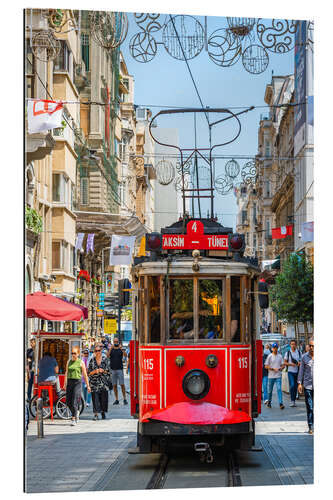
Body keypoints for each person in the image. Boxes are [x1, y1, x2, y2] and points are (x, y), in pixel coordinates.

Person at [64, 347, 90, 426]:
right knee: (68, 402)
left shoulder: (81, 362)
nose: (73, 355)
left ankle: (73, 418)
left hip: (77, 382)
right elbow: (66, 372)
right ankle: (76, 412)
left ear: (78, 354)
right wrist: (64, 384)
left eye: (75, 353)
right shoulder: (69, 361)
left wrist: (88, 385)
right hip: (69, 382)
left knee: (74, 401)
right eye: (72, 353)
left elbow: (85, 375)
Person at [88, 344, 111, 420]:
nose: (97, 352)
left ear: (101, 351)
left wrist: (103, 371)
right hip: (94, 383)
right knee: (95, 399)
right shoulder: (92, 360)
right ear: (94, 352)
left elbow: (109, 371)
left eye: (99, 350)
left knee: (103, 399)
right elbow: (89, 373)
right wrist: (95, 371)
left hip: (103, 383)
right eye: (96, 351)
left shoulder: (105, 359)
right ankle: (96, 414)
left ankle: (103, 412)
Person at [298, 337, 314, 434]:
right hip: (308, 386)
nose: (312, 348)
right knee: (310, 406)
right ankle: (310, 426)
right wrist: (299, 383)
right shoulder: (304, 357)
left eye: (314, 346)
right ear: (308, 346)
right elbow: (301, 371)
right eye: (310, 346)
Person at [107, 337, 128, 405]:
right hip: (113, 369)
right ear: (113, 342)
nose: (116, 343)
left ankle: (125, 398)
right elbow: (107, 356)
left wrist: (122, 349)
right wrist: (110, 348)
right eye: (115, 342)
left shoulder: (120, 349)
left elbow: (125, 355)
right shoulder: (111, 349)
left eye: (117, 342)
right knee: (114, 385)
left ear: (118, 342)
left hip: (120, 369)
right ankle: (116, 399)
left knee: (122, 384)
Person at [265, 342, 285, 409]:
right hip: (271, 376)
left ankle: (281, 403)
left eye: (276, 348)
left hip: (278, 375)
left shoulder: (280, 356)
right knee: (270, 390)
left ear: (277, 348)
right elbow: (266, 366)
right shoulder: (269, 356)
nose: (275, 349)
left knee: (279, 389)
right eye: (274, 348)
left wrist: (280, 368)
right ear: (272, 348)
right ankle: (269, 402)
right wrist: (272, 369)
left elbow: (283, 365)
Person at [284, 339, 302, 407]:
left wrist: (299, 363)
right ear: (290, 345)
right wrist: (291, 364)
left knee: (295, 386)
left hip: (297, 371)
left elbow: (301, 362)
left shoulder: (299, 352)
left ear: (296, 345)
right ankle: (292, 401)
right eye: (291, 344)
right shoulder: (287, 353)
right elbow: (285, 362)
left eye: (294, 344)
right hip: (290, 372)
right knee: (292, 385)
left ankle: (294, 398)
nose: (293, 345)